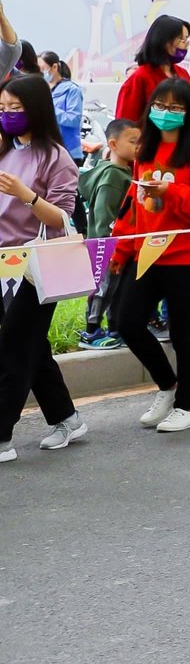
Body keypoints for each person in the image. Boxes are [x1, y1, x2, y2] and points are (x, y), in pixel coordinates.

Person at [110, 78, 190, 435]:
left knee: (181, 332)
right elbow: (133, 207)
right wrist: (122, 248)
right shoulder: (144, 152)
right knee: (127, 322)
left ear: (188, 113)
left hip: (185, 257)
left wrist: (172, 192)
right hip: (145, 255)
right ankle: (167, 385)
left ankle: (186, 407)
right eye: (160, 105)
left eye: (176, 107)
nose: (166, 113)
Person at [0, 76, 83, 463]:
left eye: (15, 108)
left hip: (36, 266)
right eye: (2, 108)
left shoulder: (56, 157)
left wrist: (26, 195)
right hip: (2, 263)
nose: (7, 115)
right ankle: (67, 417)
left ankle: (2, 435)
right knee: (30, 344)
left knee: (14, 347)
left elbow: (62, 218)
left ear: (35, 108)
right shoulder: (5, 148)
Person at [77, 119, 141, 349]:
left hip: (119, 244)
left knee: (117, 288)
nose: (138, 146)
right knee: (103, 288)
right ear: (113, 144)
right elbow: (105, 214)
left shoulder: (123, 171)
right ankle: (91, 331)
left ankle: (115, 328)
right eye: (133, 142)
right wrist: (110, 244)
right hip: (107, 245)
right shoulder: (113, 176)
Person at [115, 15, 190, 134]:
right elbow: (124, 128)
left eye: (187, 40)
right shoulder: (139, 78)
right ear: (164, 42)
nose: (187, 45)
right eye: (182, 40)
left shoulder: (182, 73)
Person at [45, 56, 83, 161]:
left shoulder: (72, 90)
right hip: (47, 149)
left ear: (54, 67)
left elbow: (74, 119)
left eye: (42, 68)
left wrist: (48, 108)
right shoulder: (43, 90)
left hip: (68, 150)